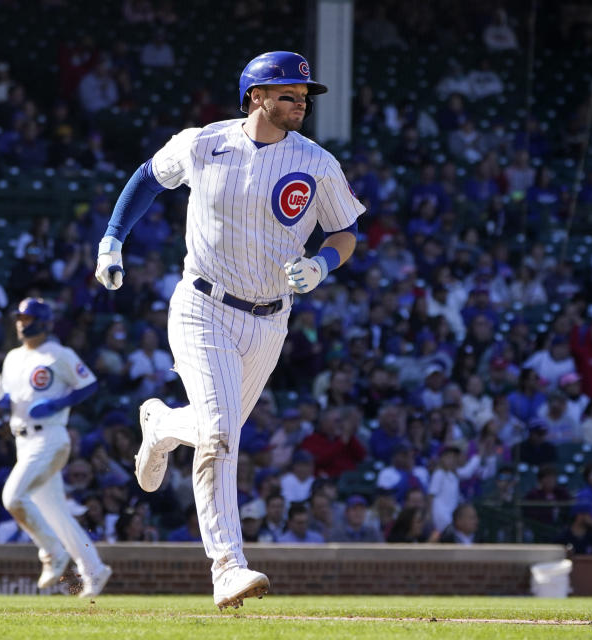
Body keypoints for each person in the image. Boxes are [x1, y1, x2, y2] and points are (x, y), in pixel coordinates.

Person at [95, 51, 364, 609]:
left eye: (304, 96)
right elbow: (147, 177)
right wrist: (112, 239)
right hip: (202, 308)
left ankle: (164, 425)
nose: (300, 103)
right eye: (289, 94)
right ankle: (226, 566)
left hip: (270, 319)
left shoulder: (317, 163)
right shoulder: (203, 142)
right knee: (221, 436)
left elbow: (344, 233)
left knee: (217, 431)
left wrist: (322, 265)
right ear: (256, 95)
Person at [0, 297, 111, 598]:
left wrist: (59, 403)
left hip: (50, 437)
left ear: (43, 322)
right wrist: (1, 399)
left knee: (13, 497)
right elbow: (9, 393)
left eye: (27, 319)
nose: (21, 323)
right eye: (19, 318)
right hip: (22, 438)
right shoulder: (13, 357)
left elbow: (89, 384)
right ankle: (94, 569)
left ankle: (52, 552)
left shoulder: (59, 353)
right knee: (56, 513)